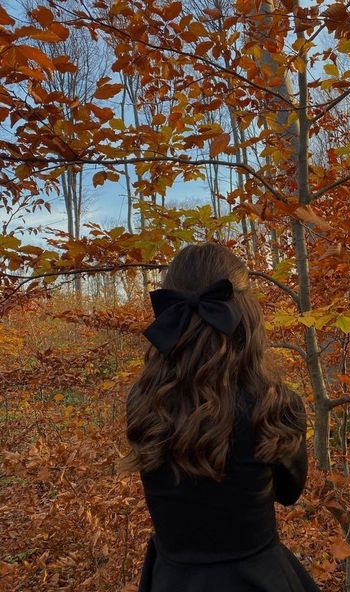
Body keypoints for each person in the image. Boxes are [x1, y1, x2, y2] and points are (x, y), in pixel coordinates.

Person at [119, 242, 321, 592]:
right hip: (259, 579)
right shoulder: (274, 403)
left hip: (172, 580)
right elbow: (289, 493)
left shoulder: (145, 401)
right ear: (246, 314)